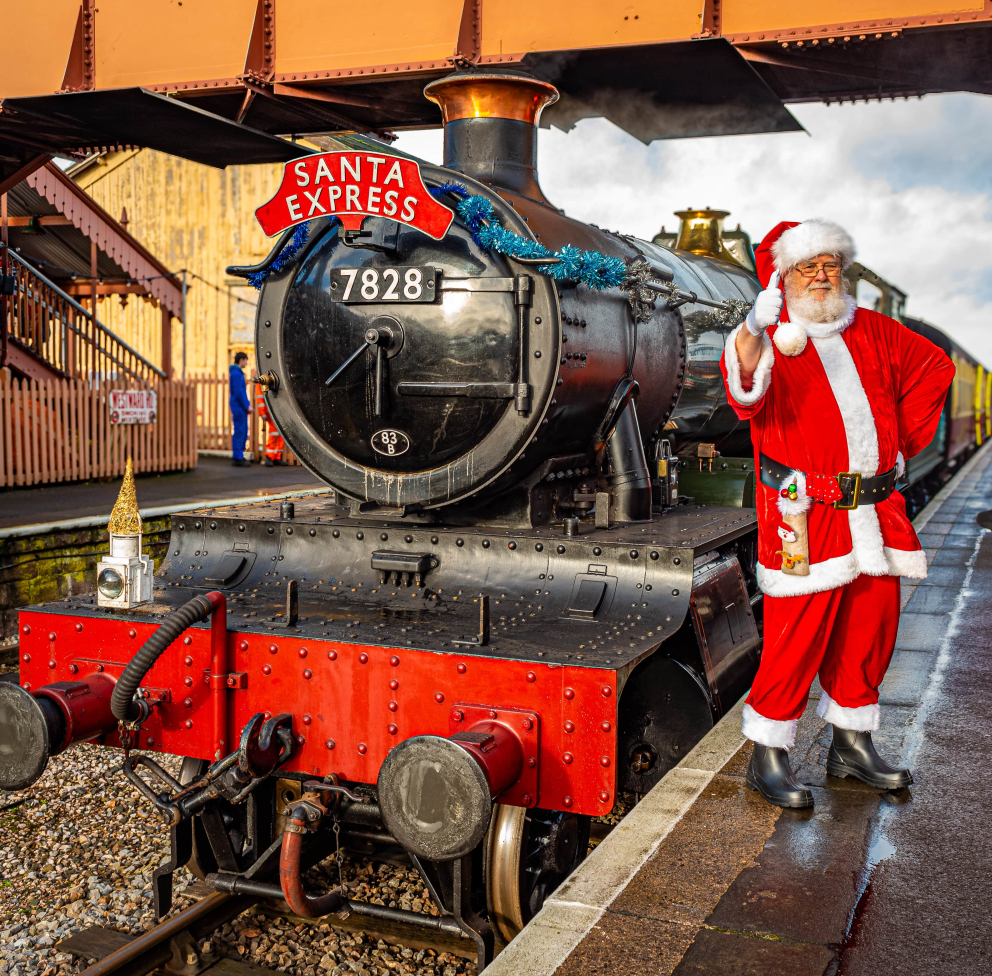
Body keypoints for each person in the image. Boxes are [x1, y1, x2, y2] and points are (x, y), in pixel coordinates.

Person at [720, 219, 954, 809]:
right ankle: (768, 754)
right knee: (795, 635)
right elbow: (743, 387)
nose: (823, 276)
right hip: (804, 513)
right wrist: (752, 325)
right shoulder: (771, 334)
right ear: (783, 275)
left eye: (831, 265)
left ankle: (852, 744)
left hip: (875, 510)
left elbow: (936, 369)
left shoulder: (874, 330)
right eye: (809, 267)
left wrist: (898, 444)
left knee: (869, 630)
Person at [230, 352, 252, 467]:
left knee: (242, 431)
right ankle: (237, 458)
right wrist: (247, 406)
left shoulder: (237, 373)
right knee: (240, 431)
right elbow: (239, 393)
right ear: (241, 360)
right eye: (246, 360)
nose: (246, 363)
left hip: (239, 406)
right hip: (239, 407)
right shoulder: (236, 374)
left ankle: (239, 456)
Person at [256, 387, 286, 466]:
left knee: (280, 433)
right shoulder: (261, 381)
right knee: (274, 433)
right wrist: (262, 412)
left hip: (277, 409)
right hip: (271, 410)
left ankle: (276, 456)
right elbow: (260, 397)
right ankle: (270, 456)